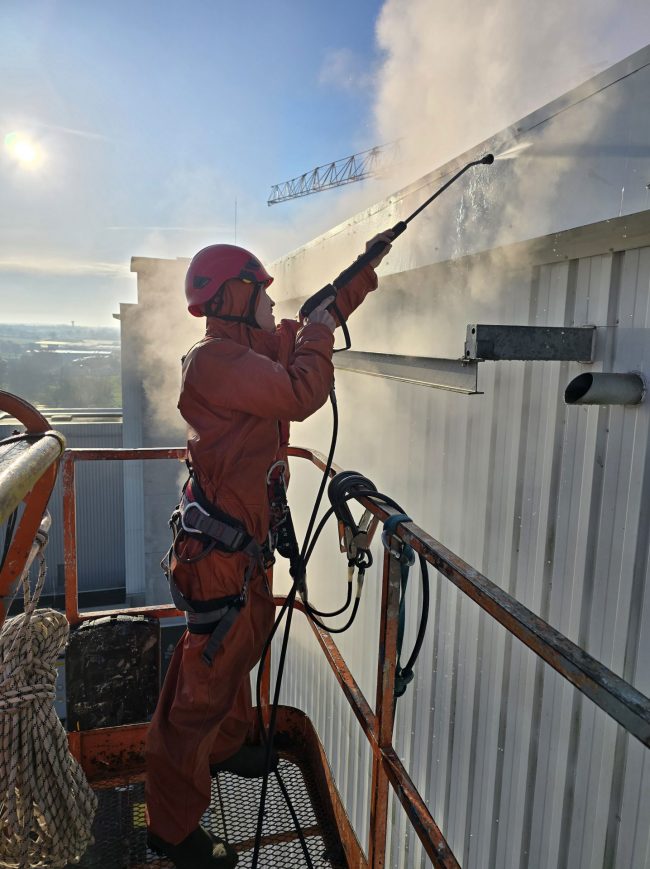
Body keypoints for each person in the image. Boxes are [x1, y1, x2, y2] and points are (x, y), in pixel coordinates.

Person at [145, 231, 393, 868]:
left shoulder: (248, 349)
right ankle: (170, 829)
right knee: (198, 691)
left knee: (242, 653)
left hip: (243, 551)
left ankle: (227, 746)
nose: (269, 304)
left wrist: (357, 278)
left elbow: (307, 329)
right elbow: (300, 394)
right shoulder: (214, 362)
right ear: (234, 296)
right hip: (221, 555)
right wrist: (313, 330)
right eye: (261, 293)